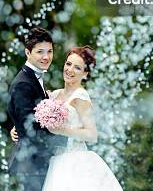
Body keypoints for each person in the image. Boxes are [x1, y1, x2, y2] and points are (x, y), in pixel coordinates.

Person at [11, 45, 123, 191]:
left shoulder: (80, 97)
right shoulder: (54, 95)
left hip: (75, 161)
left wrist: (62, 130)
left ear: (85, 73)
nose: (70, 70)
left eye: (77, 67)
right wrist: (19, 127)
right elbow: (34, 118)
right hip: (54, 161)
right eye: (68, 64)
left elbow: (91, 134)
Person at [7, 27, 66, 191]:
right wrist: (66, 140)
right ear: (28, 52)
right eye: (40, 52)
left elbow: (28, 120)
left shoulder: (33, 78)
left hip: (38, 163)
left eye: (50, 51)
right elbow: (31, 131)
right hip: (31, 166)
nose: (46, 57)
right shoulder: (23, 84)